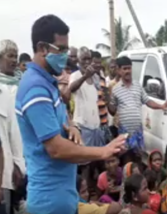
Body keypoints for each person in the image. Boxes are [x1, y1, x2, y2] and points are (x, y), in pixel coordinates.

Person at [15, 14, 126, 214]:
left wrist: (72, 125)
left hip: (63, 197)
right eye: (62, 49)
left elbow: (62, 111)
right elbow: (55, 149)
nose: (66, 56)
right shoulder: (35, 89)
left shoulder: (47, 82)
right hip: (49, 203)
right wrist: (102, 151)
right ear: (43, 48)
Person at [108, 56, 167, 165]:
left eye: (129, 68)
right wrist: (107, 100)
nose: (127, 71)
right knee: (126, 161)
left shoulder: (138, 86)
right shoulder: (116, 89)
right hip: (124, 133)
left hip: (138, 132)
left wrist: (162, 106)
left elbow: (147, 101)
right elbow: (112, 111)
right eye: (124, 69)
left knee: (138, 159)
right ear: (119, 70)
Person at [69, 47, 109, 196]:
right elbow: (71, 89)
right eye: (83, 59)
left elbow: (101, 97)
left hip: (96, 125)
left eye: (88, 58)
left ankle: (97, 193)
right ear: (78, 61)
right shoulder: (76, 75)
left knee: (97, 162)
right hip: (82, 126)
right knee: (84, 164)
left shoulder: (96, 77)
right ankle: (84, 196)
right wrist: (84, 76)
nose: (87, 62)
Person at [0, 39, 26, 214]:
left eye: (16, 56)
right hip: (4, 159)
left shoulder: (21, 85)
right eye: (10, 55)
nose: (14, 60)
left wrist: (19, 163)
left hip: (21, 156)